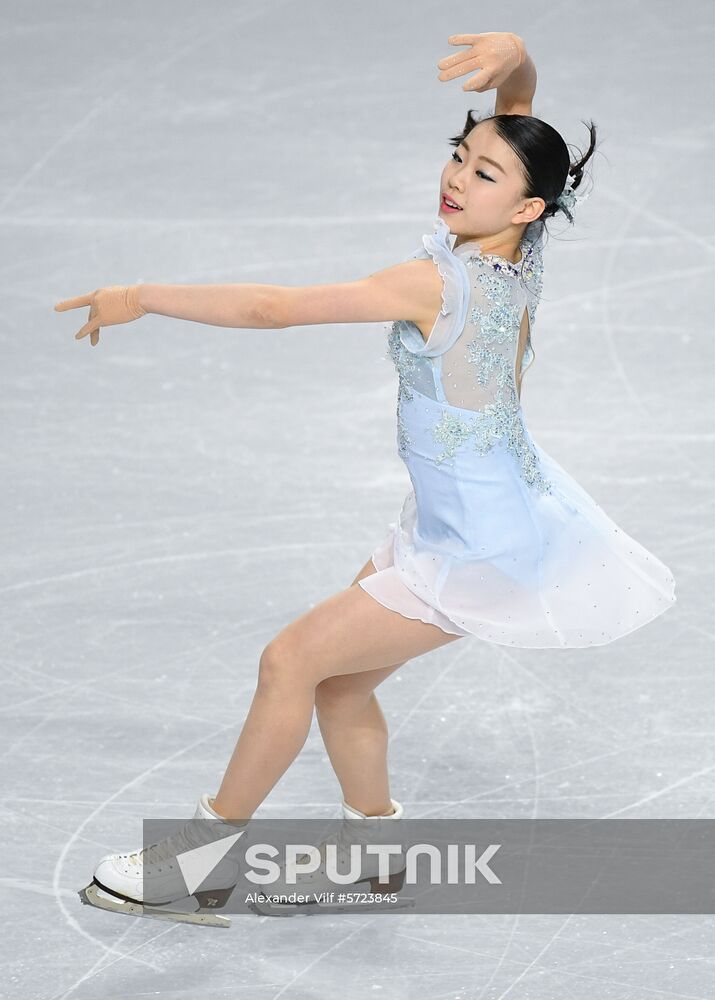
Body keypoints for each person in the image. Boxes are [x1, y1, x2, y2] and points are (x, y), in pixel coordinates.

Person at [55, 32, 676, 924]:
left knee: (287, 661)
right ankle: (375, 861)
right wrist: (520, 61)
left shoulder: (437, 282)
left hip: (477, 545)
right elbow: (520, 123)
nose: (458, 176)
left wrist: (143, 295)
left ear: (529, 206)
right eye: (459, 156)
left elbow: (275, 309)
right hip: (474, 521)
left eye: (485, 173)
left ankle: (192, 867)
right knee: (338, 685)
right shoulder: (520, 252)